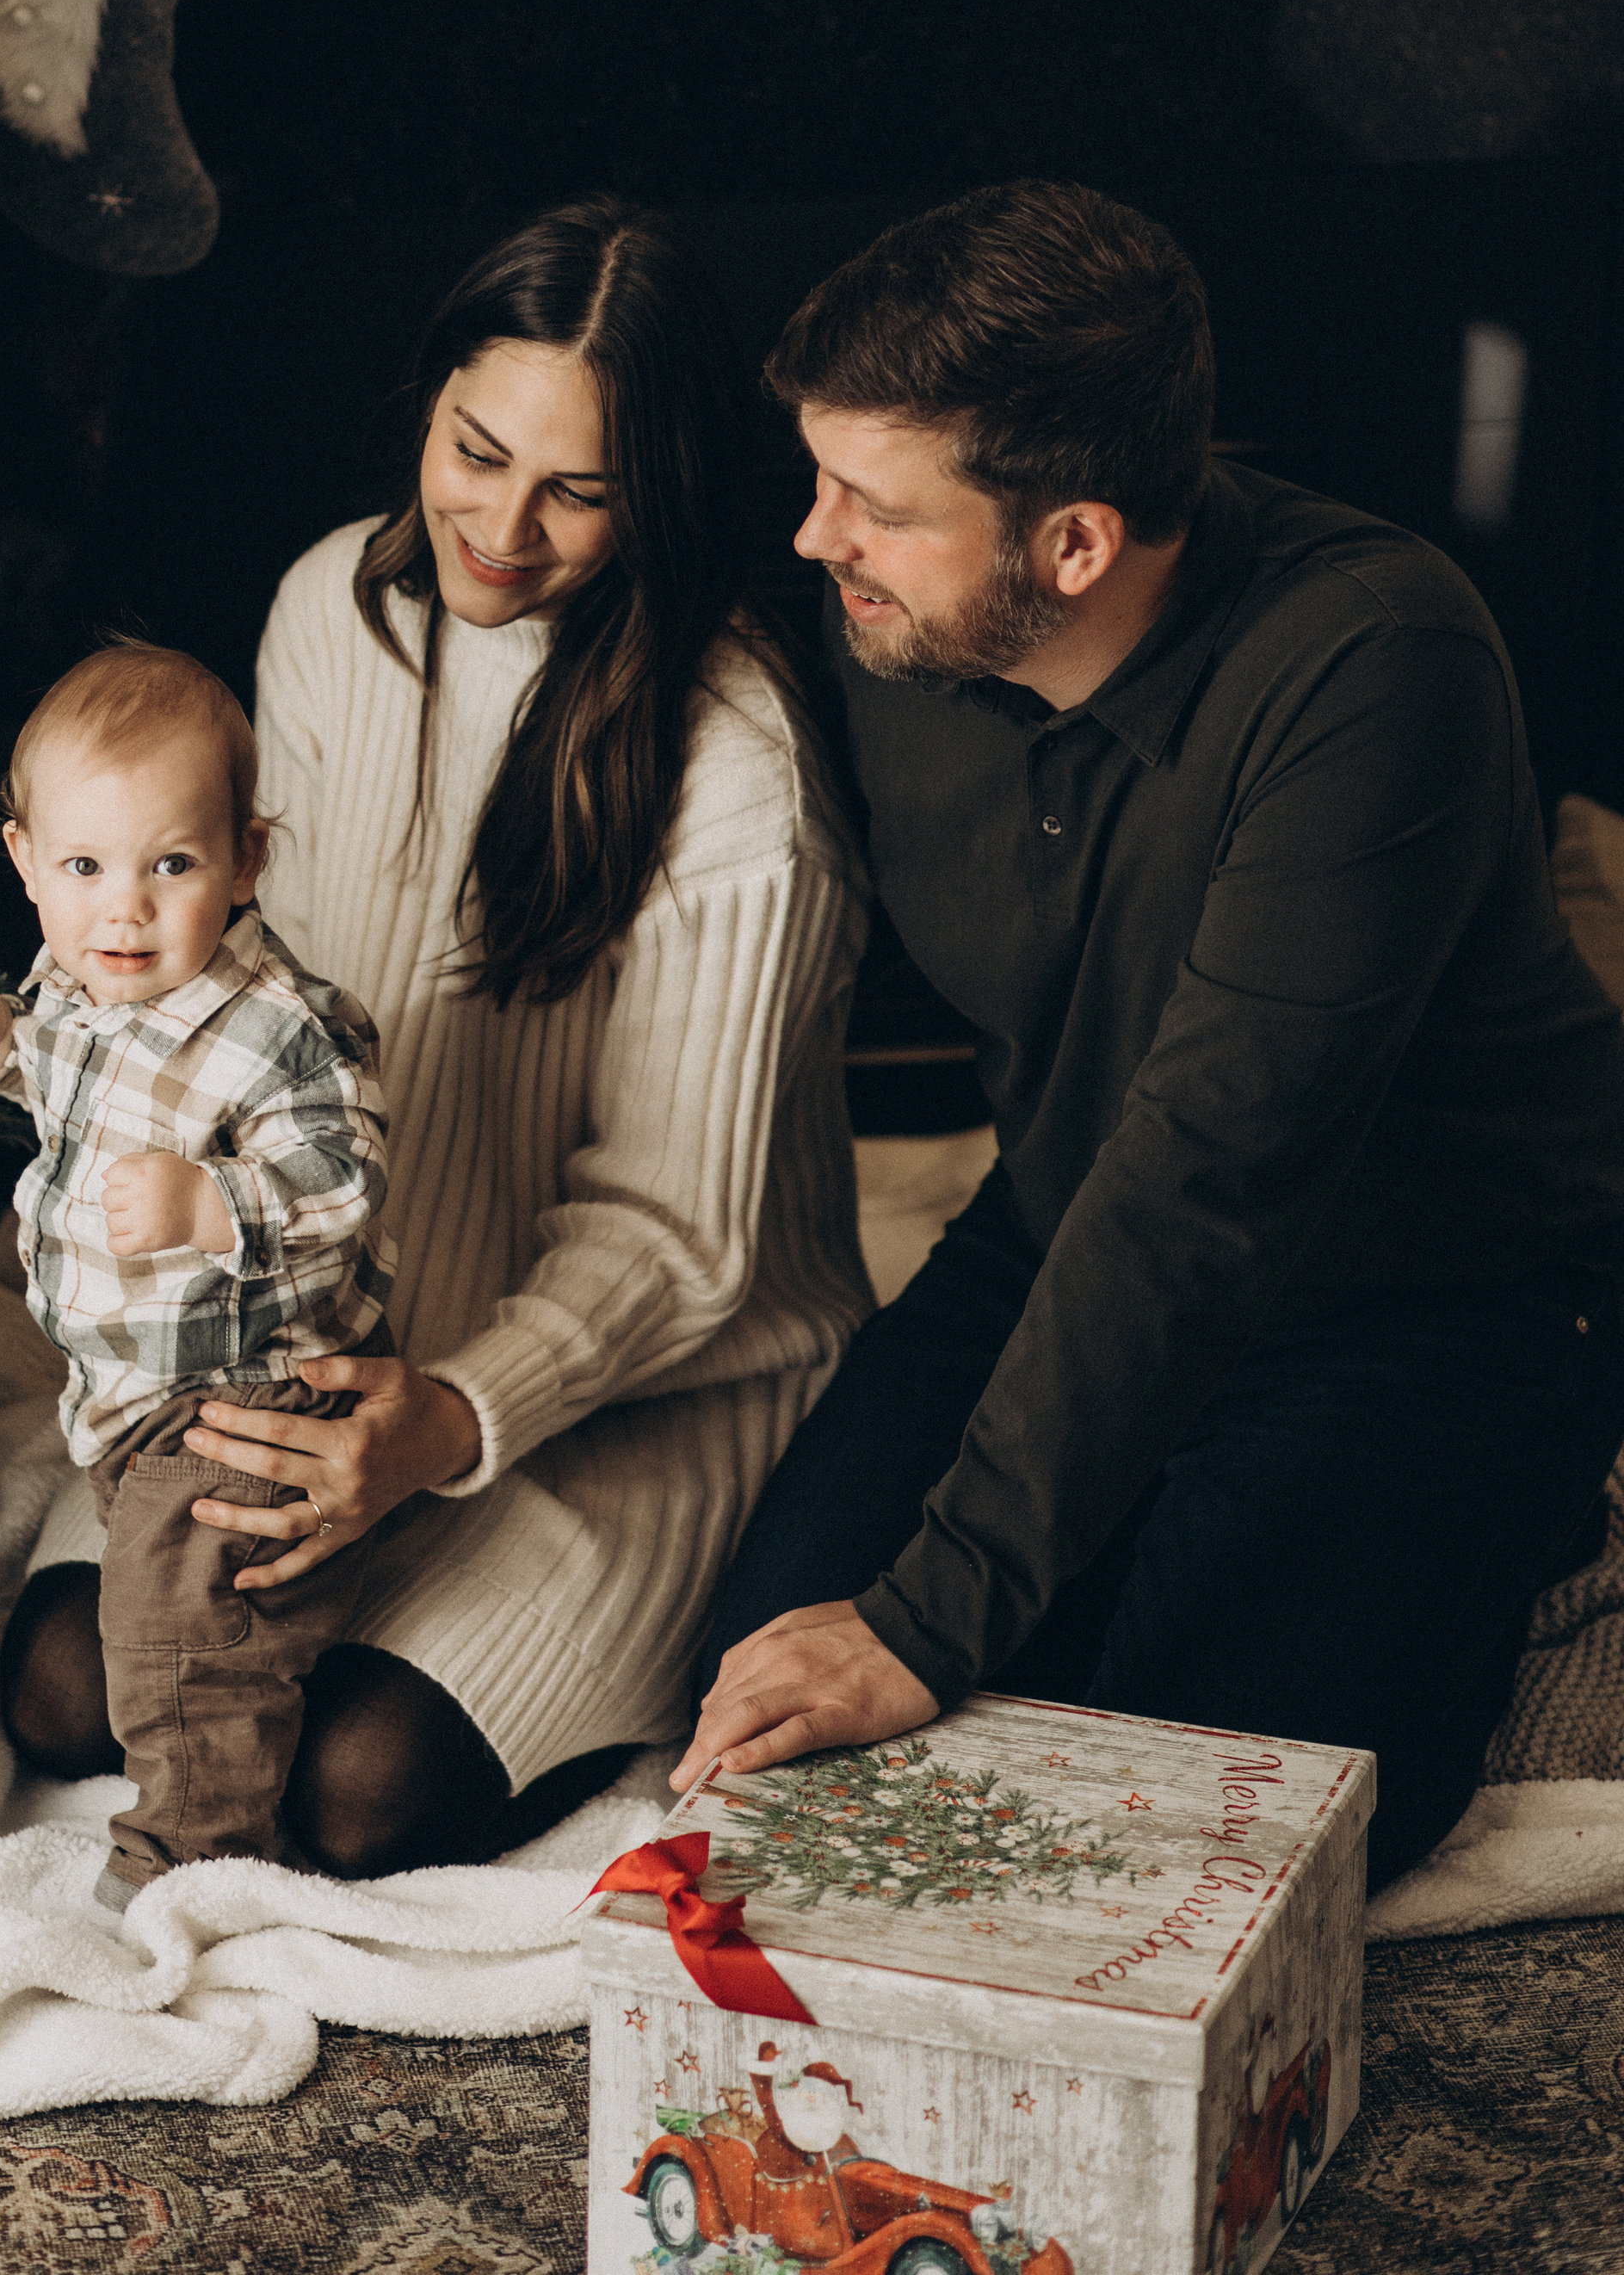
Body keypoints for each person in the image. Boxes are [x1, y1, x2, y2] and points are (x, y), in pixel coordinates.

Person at [684, 180, 1624, 1889]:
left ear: (1073, 545)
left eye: (870, 506)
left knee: (1204, 1818)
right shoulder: (891, 626)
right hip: (1050, 1226)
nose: (817, 539)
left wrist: (938, 1611)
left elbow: (1208, 1175)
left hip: (1419, 1290)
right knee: (767, 1694)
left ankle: (1522, 1502)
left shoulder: (1373, 662)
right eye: (817, 479)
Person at [0, 196, 874, 1872]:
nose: (502, 528)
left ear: (661, 491)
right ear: (425, 407)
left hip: (621, 1380)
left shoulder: (737, 766)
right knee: (57, 1691)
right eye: (475, 452)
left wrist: (444, 1418)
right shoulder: (333, 606)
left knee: (355, 1790)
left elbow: (679, 1238)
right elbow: (234, 1002)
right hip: (318, 1308)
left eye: (577, 490)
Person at [0, 642, 392, 1904]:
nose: (127, 907)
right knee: (173, 1613)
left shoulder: (282, 1027)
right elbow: (64, 1082)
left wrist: (213, 1202)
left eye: (173, 866)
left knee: (179, 1640)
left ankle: (197, 1863)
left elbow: (347, 1181)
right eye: (85, 868)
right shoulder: (81, 978)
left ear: (248, 860)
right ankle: (267, 1682)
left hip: (244, 1390)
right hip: (125, 1388)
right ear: (24, 862)